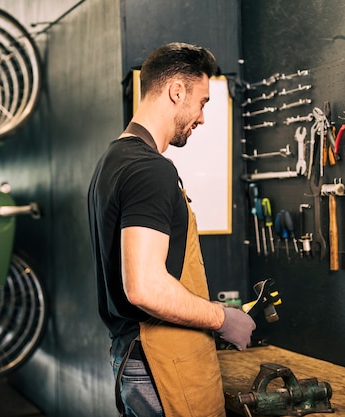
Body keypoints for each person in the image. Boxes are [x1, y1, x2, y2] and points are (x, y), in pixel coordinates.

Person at [88, 42, 256, 417]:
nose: (201, 118)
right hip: (158, 363)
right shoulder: (150, 169)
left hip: (133, 356)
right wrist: (222, 318)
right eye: (202, 102)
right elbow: (144, 287)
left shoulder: (112, 161)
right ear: (176, 91)